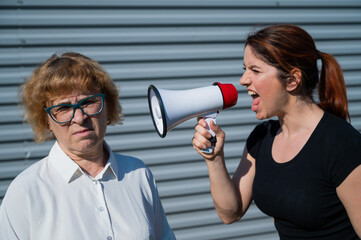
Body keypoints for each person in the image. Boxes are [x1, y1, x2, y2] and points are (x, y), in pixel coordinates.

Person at [192, 24, 361, 239]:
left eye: (255, 70)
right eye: (244, 69)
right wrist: (214, 158)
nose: (243, 80)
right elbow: (230, 213)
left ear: (292, 80)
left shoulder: (342, 145)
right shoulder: (262, 138)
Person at [0, 52, 176, 240]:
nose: (79, 117)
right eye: (63, 108)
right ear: (47, 121)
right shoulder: (26, 191)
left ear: (108, 106)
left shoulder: (139, 174)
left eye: (89, 102)